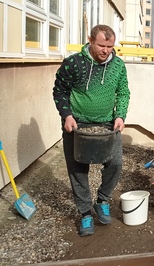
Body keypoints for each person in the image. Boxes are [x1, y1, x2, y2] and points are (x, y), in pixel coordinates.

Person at [52, 24, 130, 237]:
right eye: (101, 45)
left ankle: (103, 199)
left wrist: (120, 115)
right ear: (90, 40)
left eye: (110, 46)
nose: (106, 50)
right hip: (77, 125)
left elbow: (123, 92)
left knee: (115, 162)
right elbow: (60, 90)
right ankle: (85, 213)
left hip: (107, 125)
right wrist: (66, 115)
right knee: (78, 169)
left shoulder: (118, 66)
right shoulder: (73, 63)